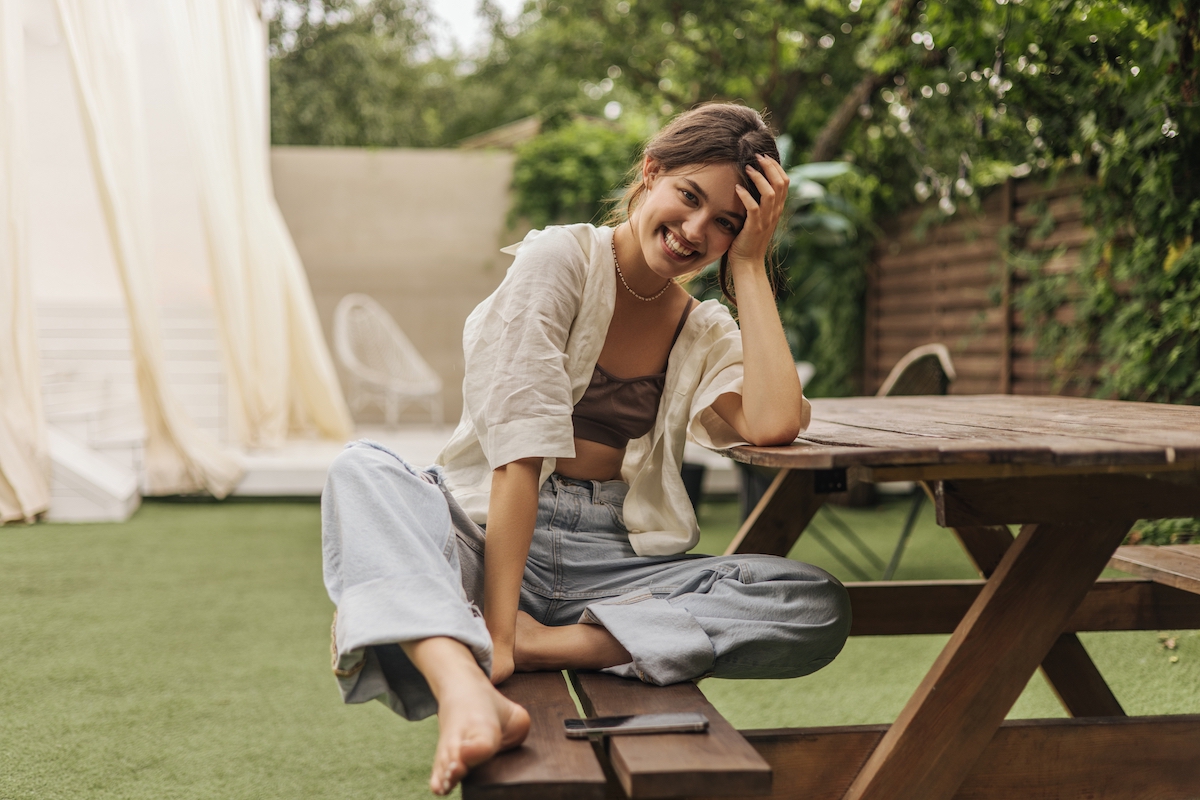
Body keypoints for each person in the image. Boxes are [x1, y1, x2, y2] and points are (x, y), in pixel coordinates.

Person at [321, 103, 851, 796]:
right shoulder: (559, 260)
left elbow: (775, 421)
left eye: (725, 221)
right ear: (651, 172)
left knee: (813, 603)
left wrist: (750, 266)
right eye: (689, 197)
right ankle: (465, 691)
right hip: (495, 538)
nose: (696, 231)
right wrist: (503, 633)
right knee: (362, 470)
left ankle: (542, 643)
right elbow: (520, 454)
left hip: (612, 568)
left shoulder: (703, 329)